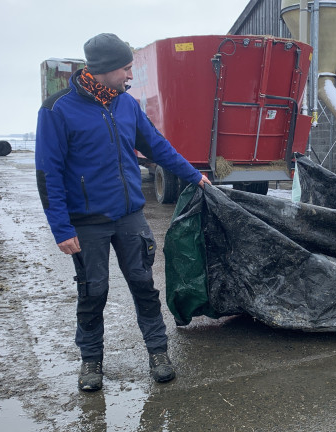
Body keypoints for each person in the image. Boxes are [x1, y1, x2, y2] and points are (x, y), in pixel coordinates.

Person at [35, 33, 211, 392]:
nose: (130, 75)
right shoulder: (57, 109)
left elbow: (156, 146)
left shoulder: (126, 104)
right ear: (102, 69)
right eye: (126, 68)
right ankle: (91, 362)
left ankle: (158, 352)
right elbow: (47, 172)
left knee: (144, 286)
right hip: (86, 223)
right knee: (93, 292)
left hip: (129, 216)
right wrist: (61, 229)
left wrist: (195, 177)